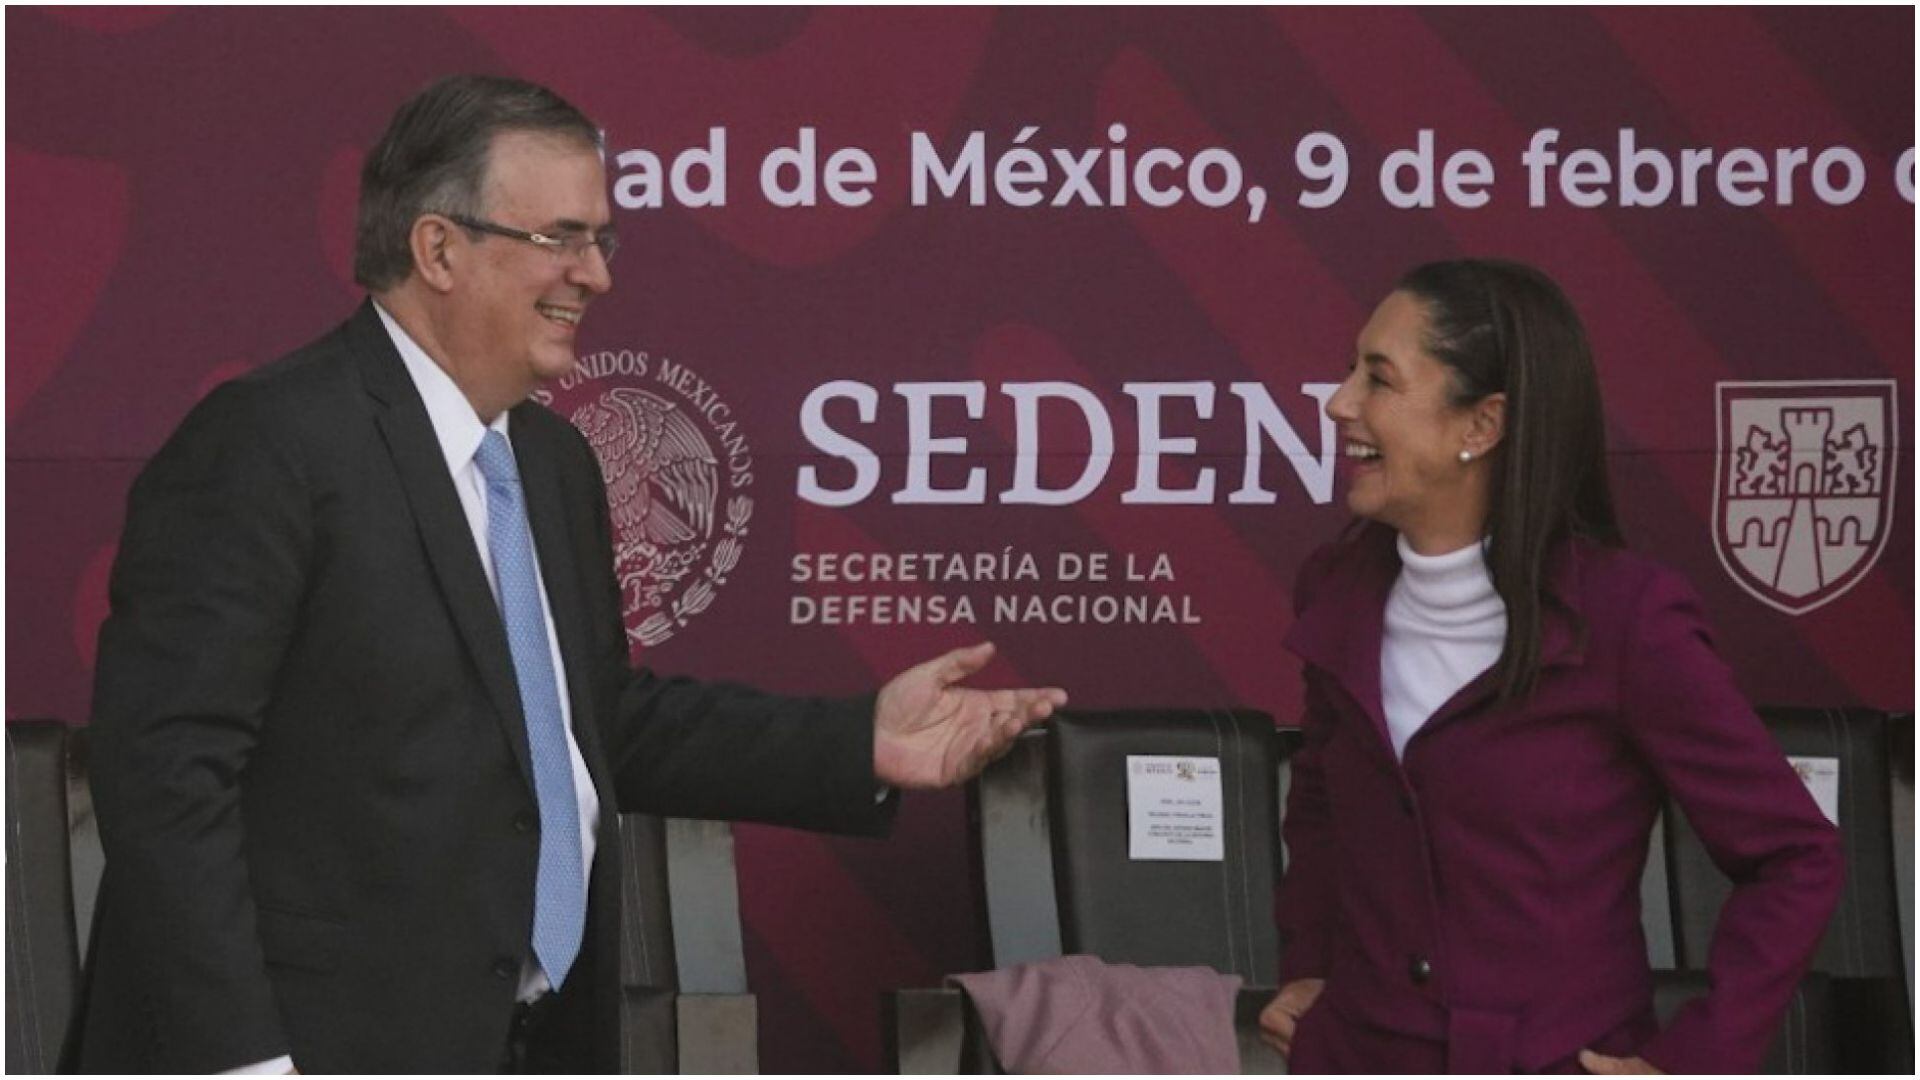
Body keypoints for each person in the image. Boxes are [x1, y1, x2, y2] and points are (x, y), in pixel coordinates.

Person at [71, 74, 1065, 1074]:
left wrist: (861, 743)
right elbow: (164, 774)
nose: (594, 275)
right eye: (560, 238)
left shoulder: (550, 463)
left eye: (601, 241)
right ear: (439, 249)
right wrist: (246, 1065)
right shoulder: (268, 441)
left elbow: (592, 723)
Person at [1256, 259, 1842, 1074]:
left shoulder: (1627, 618)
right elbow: (1321, 801)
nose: (1339, 402)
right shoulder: (1335, 589)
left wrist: (1694, 1060)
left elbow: (1796, 857)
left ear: (1482, 424)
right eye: (1351, 370)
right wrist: (1309, 965)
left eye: (1378, 379)